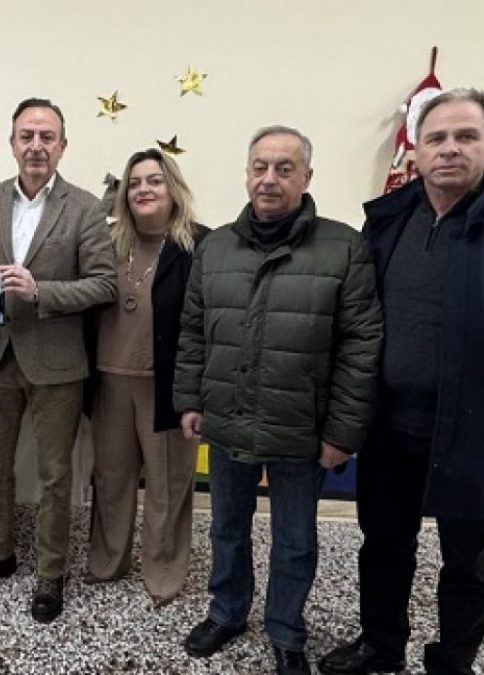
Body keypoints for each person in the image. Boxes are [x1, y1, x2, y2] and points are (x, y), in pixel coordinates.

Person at [173, 126, 381, 675]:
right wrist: (190, 399)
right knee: (226, 528)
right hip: (227, 418)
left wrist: (343, 432)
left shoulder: (344, 248)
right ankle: (227, 612)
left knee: (294, 539)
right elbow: (193, 331)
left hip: (301, 428)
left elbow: (361, 346)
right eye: (260, 167)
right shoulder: (215, 247)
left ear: (307, 177)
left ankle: (286, 630)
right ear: (246, 175)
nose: (270, 179)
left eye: (284, 169)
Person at [319, 89, 484, 675]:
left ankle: (452, 661)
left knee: (470, 562)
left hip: (472, 434)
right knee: (385, 542)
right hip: (391, 423)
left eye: (467, 136)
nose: (450, 149)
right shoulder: (388, 222)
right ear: (415, 149)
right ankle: (380, 645)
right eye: (436, 138)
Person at [0, 97, 117, 623]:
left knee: (54, 476)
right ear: (12, 144)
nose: (36, 146)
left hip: (58, 362)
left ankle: (50, 572)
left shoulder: (85, 207)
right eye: (27, 136)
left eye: (47, 137)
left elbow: (104, 284)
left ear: (63, 146)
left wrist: (40, 290)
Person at [85, 149, 208, 607]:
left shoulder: (199, 245)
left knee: (168, 484)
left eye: (154, 180)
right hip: (108, 379)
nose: (143, 189)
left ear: (173, 188)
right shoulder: (106, 243)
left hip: (168, 384)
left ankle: (163, 573)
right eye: (134, 182)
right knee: (110, 479)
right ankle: (107, 561)